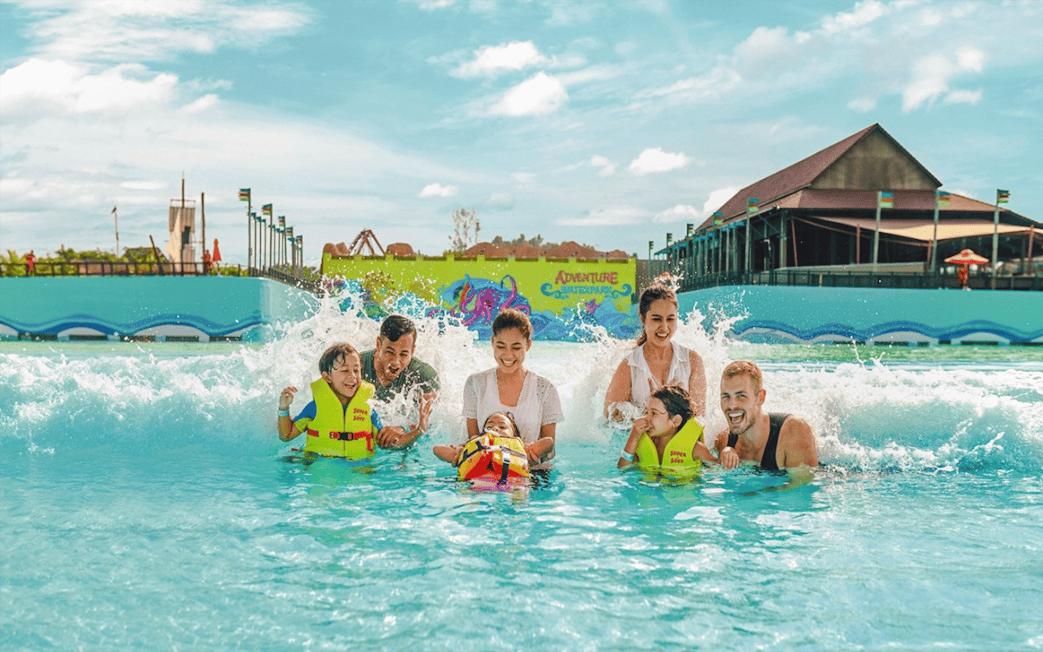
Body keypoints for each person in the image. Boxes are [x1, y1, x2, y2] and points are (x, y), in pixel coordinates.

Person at [462, 308, 563, 465]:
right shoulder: (475, 384)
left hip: (532, 475)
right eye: (501, 346)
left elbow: (550, 450)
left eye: (516, 347)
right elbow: (473, 440)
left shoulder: (545, 389)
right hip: (486, 469)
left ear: (528, 345)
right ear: (492, 342)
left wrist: (533, 457)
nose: (508, 355)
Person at [604, 284, 706, 420]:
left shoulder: (692, 362)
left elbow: (699, 419)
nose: (664, 328)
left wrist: (669, 404)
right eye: (656, 319)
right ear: (643, 318)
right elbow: (609, 421)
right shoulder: (629, 367)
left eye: (670, 319)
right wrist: (652, 407)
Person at [277, 342, 384, 460]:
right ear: (327, 377)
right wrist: (284, 408)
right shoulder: (315, 408)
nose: (353, 376)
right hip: (321, 465)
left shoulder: (368, 409)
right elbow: (286, 435)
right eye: (344, 370)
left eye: (356, 370)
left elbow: (385, 442)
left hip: (358, 467)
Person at [714, 360, 818, 471]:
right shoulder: (724, 441)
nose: (732, 405)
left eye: (741, 395)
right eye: (726, 396)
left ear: (760, 398)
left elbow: (803, 486)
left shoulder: (794, 432)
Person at [360, 315, 440, 449]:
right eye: (390, 352)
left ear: (413, 350)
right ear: (378, 344)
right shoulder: (356, 368)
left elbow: (432, 421)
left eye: (403, 354)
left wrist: (404, 429)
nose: (395, 362)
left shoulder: (424, 376)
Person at [617, 385, 717, 481]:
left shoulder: (696, 449)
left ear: (675, 421)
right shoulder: (643, 442)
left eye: (654, 413)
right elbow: (623, 469)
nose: (647, 418)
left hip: (682, 494)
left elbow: (718, 471)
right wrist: (633, 438)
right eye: (646, 412)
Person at [434, 412, 555, 486]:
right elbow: (437, 449)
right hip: (475, 484)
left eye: (502, 426)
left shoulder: (522, 450)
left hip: (515, 484)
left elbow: (549, 442)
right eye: (489, 426)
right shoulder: (472, 448)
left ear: (514, 436)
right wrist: (458, 453)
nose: (495, 428)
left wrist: (530, 451)